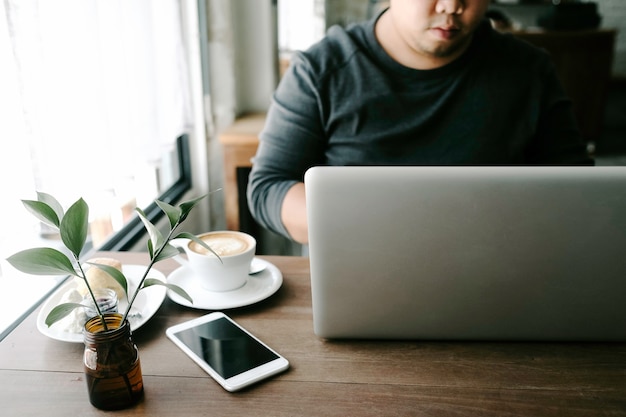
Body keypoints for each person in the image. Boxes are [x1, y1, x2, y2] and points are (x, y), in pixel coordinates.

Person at [247, 0, 594, 245]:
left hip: (500, 272)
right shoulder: (321, 70)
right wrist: (373, 224)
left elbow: (580, 193)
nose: (452, 6)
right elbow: (268, 187)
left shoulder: (530, 71)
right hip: (364, 273)